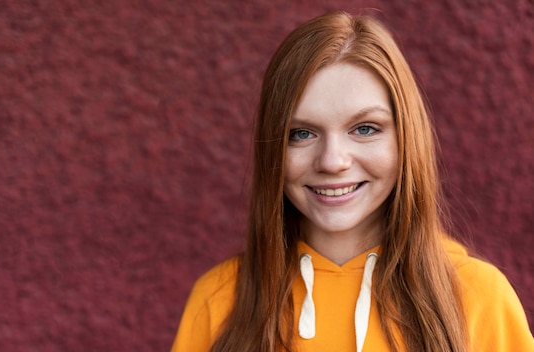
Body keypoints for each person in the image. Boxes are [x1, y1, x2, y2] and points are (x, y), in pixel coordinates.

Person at [172, 11, 534, 352]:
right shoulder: (219, 299)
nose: (332, 162)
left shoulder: (480, 297)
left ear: (406, 139)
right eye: (300, 133)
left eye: (364, 129)